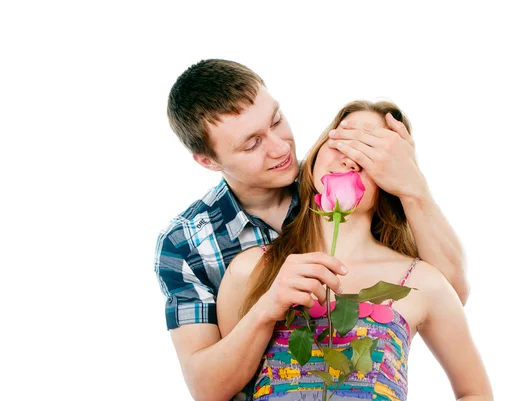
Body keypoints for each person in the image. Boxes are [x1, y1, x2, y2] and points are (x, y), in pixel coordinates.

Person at [154, 59, 469, 400]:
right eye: (252, 144)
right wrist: (267, 306)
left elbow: (446, 296)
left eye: (276, 121)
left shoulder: (337, 185)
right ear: (209, 161)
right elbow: (207, 388)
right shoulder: (186, 244)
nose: (280, 148)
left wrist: (412, 185)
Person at [217, 101, 492, 400]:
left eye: (373, 151)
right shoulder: (250, 270)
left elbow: (475, 392)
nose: (352, 159)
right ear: (315, 156)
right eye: (345, 141)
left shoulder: (422, 283)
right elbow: (223, 392)